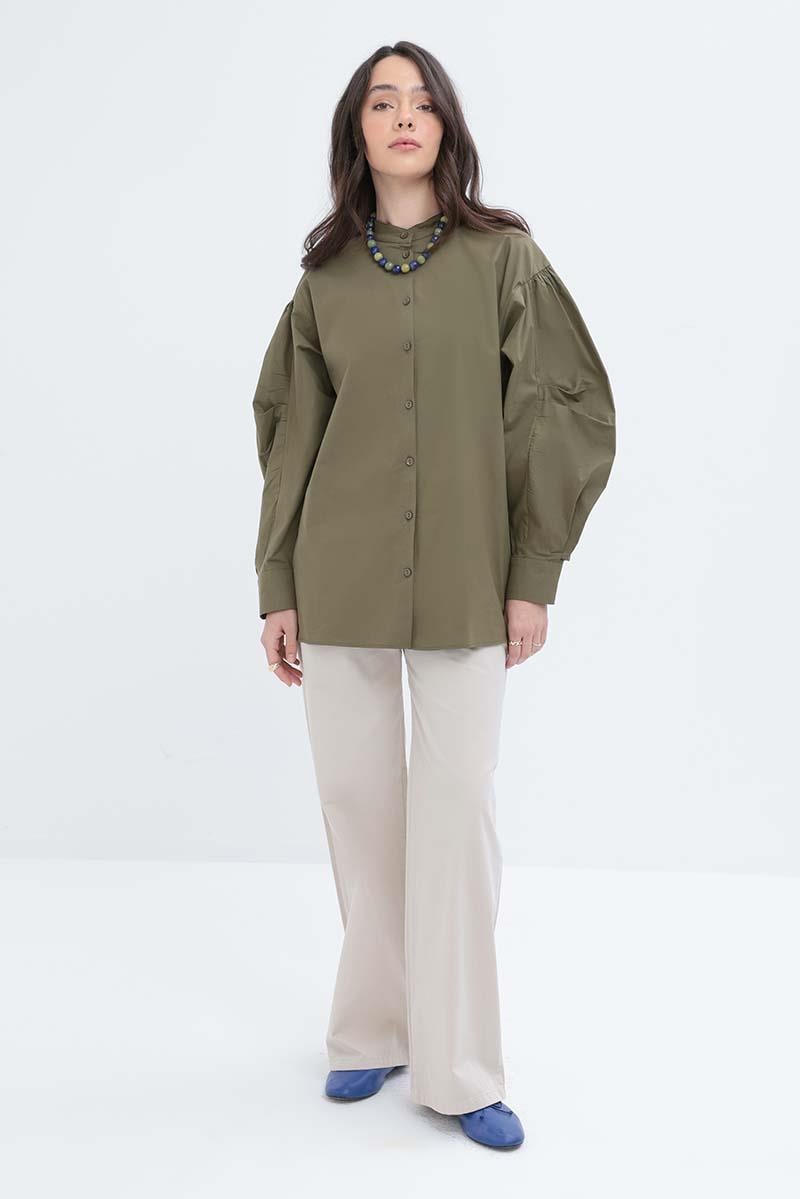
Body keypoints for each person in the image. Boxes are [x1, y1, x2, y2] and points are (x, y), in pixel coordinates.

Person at [251, 41, 616, 1150]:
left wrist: (532, 572)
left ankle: (458, 1066)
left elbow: (558, 406)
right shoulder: (324, 281)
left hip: (465, 578)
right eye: (381, 101)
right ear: (357, 132)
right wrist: (278, 581)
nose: (403, 115)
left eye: (421, 100)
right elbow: (289, 435)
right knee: (361, 811)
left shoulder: (504, 259)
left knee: (454, 815)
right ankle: (371, 1028)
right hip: (339, 578)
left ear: (447, 125)